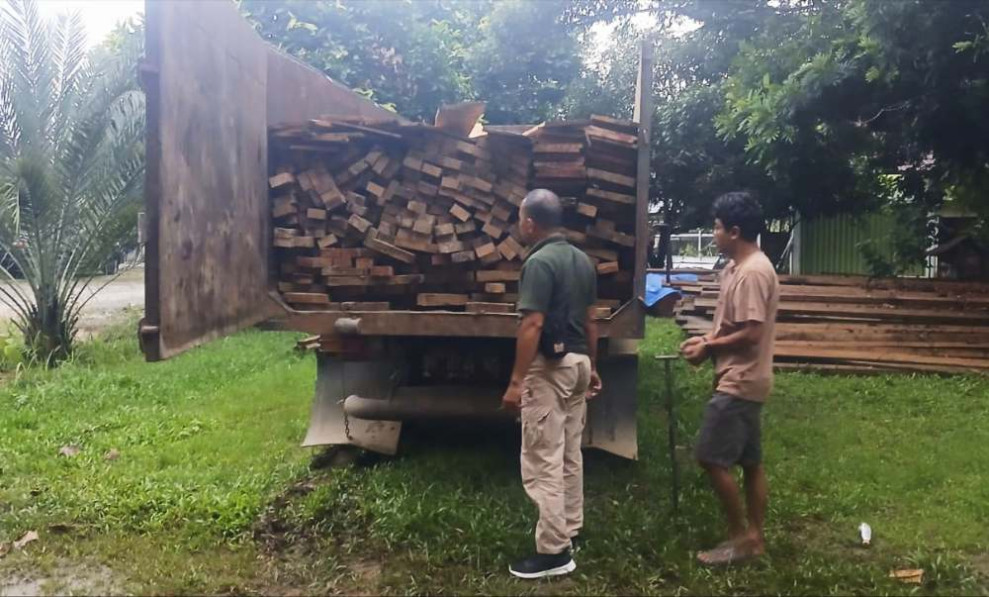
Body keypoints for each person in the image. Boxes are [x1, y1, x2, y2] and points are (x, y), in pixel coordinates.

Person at [501, 188, 602, 579]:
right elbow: (592, 320)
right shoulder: (582, 260)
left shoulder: (539, 263)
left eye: (519, 218)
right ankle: (571, 527)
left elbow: (533, 323)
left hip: (550, 369)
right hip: (578, 364)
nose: (517, 225)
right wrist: (592, 364)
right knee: (569, 453)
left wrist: (515, 381)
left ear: (530, 222)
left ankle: (554, 553)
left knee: (542, 456)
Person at [679, 191, 779, 566]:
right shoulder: (737, 268)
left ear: (734, 231)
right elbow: (735, 325)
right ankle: (755, 536)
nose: (714, 233)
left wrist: (709, 346)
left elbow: (752, 332)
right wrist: (708, 340)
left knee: (709, 457)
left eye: (717, 227)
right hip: (745, 377)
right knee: (751, 461)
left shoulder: (753, 272)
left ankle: (741, 539)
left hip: (741, 379)